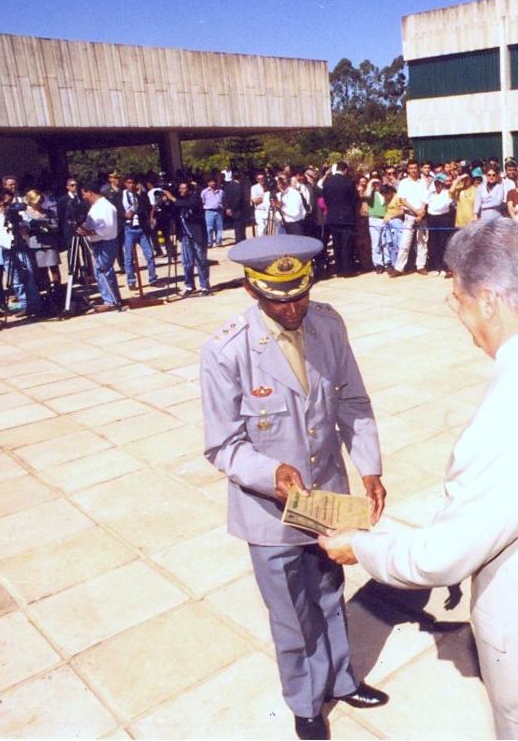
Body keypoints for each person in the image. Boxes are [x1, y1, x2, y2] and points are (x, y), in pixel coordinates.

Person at [320, 219, 518, 739]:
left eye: (458, 300)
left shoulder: (511, 410)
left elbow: (442, 555)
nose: (459, 315)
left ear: (488, 301)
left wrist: (360, 547)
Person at [200, 234, 388, 741]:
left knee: (330, 592)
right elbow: (222, 445)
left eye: (300, 294)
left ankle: (342, 679)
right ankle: (305, 701)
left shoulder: (327, 324)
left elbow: (352, 401)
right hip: (269, 512)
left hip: (326, 497)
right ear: (251, 289)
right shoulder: (225, 350)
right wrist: (270, 474)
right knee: (290, 613)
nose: (293, 308)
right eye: (278, 299)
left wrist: (369, 466)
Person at [76, 181, 121, 312]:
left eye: (84, 194)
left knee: (104, 270)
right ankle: (111, 298)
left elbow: (107, 227)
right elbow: (92, 224)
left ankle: (111, 300)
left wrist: (90, 232)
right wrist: (84, 227)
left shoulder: (105, 206)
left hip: (106, 242)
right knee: (100, 271)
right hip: (98, 242)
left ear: (90, 192)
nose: (83, 197)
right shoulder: (95, 207)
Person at [173, 181, 212, 296]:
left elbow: (188, 205)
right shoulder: (180, 201)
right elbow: (173, 210)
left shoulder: (195, 199)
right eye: (180, 188)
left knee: (201, 261)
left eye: (183, 188)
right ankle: (189, 285)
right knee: (187, 262)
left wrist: (172, 198)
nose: (180, 190)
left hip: (197, 235)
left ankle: (204, 286)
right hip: (185, 235)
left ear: (189, 190)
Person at [322, 162, 361, 276]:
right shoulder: (348, 182)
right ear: (345, 170)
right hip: (347, 217)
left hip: (333, 217)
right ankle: (347, 269)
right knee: (346, 244)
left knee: (336, 243)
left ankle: (338, 268)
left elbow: (326, 200)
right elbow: (354, 199)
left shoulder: (327, 182)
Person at [425, 172, 456, 276]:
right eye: (436, 183)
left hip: (444, 218)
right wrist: (428, 186)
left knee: (444, 243)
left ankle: (444, 267)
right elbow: (425, 201)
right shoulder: (431, 193)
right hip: (432, 219)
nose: (438, 185)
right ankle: (436, 266)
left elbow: (445, 205)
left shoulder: (447, 192)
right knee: (434, 243)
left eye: (440, 183)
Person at [202, 176, 225, 247]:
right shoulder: (204, 192)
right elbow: (202, 201)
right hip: (209, 211)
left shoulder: (221, 192)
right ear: (208, 183)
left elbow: (224, 201)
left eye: (214, 181)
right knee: (209, 228)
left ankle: (219, 242)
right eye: (211, 182)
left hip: (219, 211)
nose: (213, 183)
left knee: (219, 227)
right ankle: (209, 242)